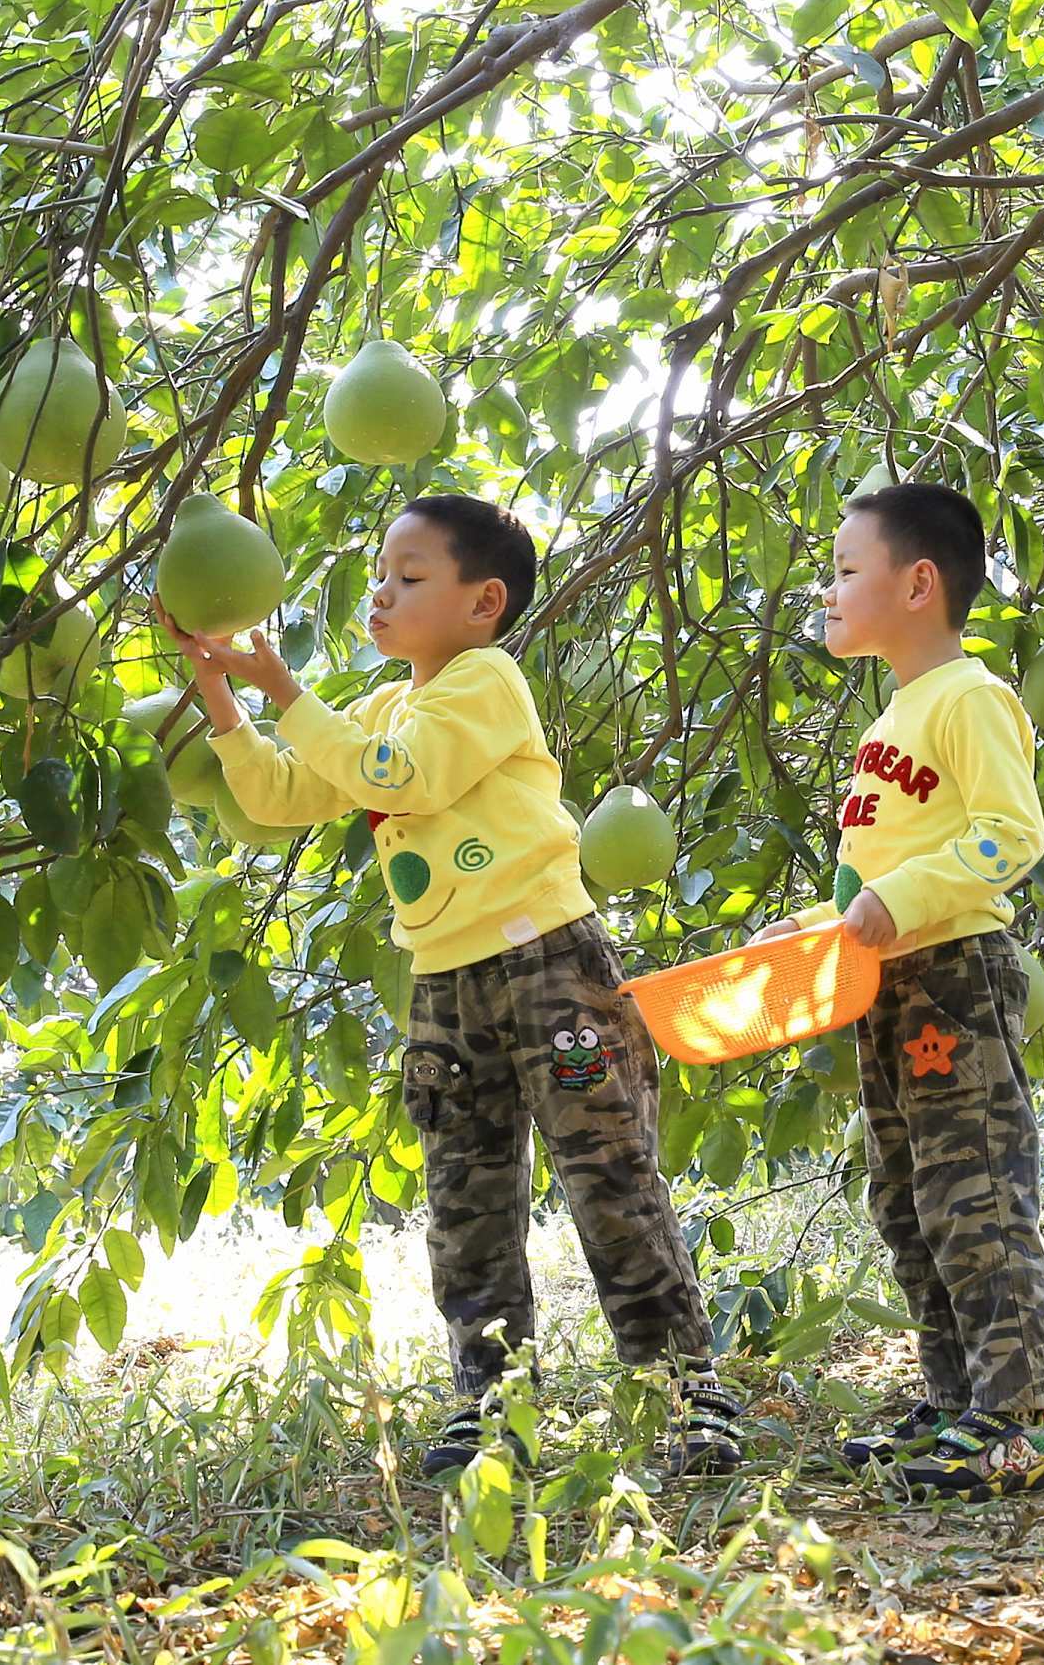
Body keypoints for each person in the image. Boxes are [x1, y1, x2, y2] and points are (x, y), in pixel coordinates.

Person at [167, 491, 741, 1480]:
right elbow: (278, 792)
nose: (381, 595)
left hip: (550, 965)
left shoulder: (485, 681)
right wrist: (220, 690)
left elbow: (404, 776)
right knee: (465, 1204)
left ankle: (689, 1391)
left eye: (408, 577)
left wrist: (286, 688)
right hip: (444, 984)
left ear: (483, 603)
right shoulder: (380, 711)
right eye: (378, 577)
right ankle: (492, 1403)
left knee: (610, 1182)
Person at [772, 480, 1044, 1498]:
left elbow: (1009, 836)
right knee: (906, 1198)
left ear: (917, 583)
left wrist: (894, 901)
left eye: (846, 569)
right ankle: (954, 1402)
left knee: (973, 1192)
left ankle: (1020, 1422)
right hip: (888, 985)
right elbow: (875, 878)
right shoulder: (892, 718)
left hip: (954, 978)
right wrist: (817, 926)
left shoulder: (969, 698)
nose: (828, 589)